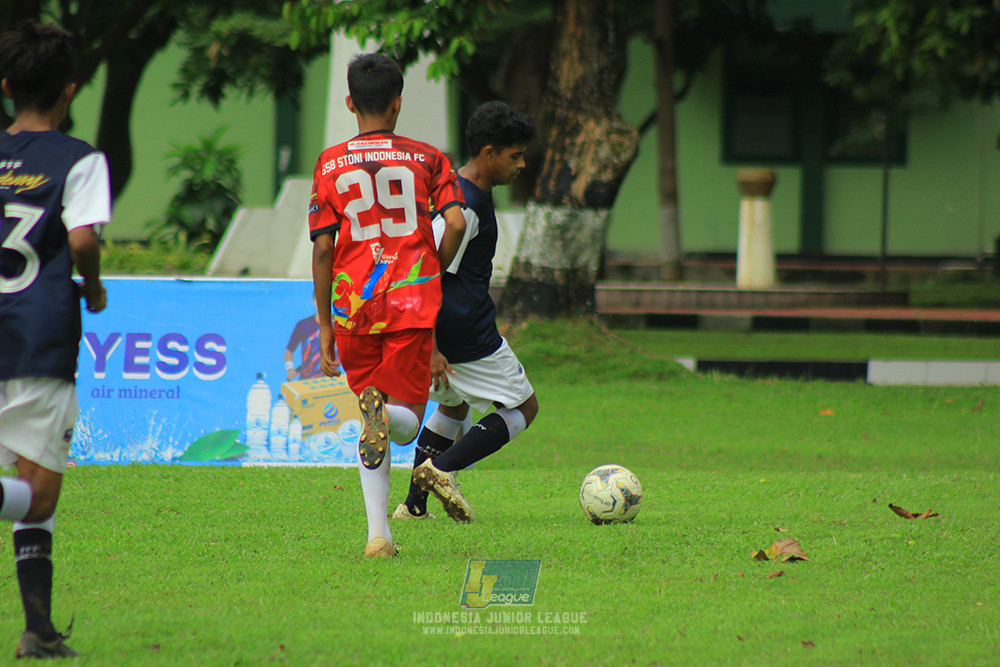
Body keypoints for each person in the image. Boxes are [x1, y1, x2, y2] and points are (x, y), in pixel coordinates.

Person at [309, 53, 467, 557]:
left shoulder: (329, 163)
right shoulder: (429, 158)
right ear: (399, 103)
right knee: (406, 423)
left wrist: (325, 326)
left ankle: (380, 535)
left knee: (371, 416)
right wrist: (430, 274)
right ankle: (383, 424)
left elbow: (322, 248)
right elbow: (458, 224)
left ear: (350, 102)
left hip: (352, 306)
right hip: (410, 304)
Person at [0, 22, 111, 658]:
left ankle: (37, 628)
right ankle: (37, 627)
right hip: (39, 337)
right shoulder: (79, 158)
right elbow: (81, 240)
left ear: (7, 87)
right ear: (68, 91)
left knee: (32, 500)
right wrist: (92, 287)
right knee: (38, 492)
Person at [393, 101, 538, 523]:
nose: (522, 164)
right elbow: (428, 271)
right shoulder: (467, 206)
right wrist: (432, 343)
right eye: (515, 156)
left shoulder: (460, 191)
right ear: (488, 153)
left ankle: (413, 506)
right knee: (524, 409)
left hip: (448, 328)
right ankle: (442, 469)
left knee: (455, 406)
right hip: (463, 330)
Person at [284, 298, 332, 381]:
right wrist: (290, 369)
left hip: (332, 380)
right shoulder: (303, 325)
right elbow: (289, 351)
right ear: (313, 302)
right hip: (307, 380)